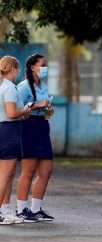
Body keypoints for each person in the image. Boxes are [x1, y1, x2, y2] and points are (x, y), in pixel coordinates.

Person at [16, 54, 54, 222]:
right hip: (28, 127)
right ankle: (21, 210)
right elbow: (17, 110)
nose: (45, 68)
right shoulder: (23, 86)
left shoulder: (43, 85)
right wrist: (37, 105)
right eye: (43, 64)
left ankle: (36, 209)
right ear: (32, 67)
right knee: (28, 170)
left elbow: (45, 107)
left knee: (46, 170)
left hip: (42, 126)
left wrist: (47, 110)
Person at [0, 56, 32, 225]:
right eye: (17, 69)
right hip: (8, 130)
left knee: (7, 174)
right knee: (5, 175)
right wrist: (26, 109)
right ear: (13, 69)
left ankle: (4, 210)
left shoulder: (2, 86)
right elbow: (12, 113)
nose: (18, 72)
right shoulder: (10, 88)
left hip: (4, 129)